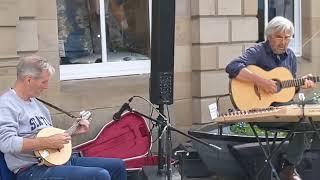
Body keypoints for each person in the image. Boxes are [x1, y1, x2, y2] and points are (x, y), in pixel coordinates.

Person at [0, 55, 127, 180]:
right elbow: (6, 143)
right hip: (31, 170)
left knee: (118, 165)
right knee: (99, 175)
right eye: (44, 81)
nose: (46, 86)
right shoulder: (7, 104)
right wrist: (48, 141)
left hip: (55, 161)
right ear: (28, 80)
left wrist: (72, 132)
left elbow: (49, 140)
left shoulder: (38, 105)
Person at [226, 16, 316, 180]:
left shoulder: (290, 57)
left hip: (281, 109)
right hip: (260, 112)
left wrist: (301, 84)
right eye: (279, 37)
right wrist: (262, 82)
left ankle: (289, 165)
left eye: (287, 38)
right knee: (304, 124)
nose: (283, 42)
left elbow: (286, 91)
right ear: (269, 36)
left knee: (313, 120)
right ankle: (289, 169)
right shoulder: (257, 51)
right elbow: (232, 67)